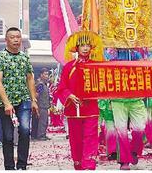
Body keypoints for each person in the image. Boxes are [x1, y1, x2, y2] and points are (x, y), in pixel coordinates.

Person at [54, 30, 102, 170]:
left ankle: (89, 164)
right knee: (75, 139)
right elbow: (61, 87)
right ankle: (79, 164)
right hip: (73, 109)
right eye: (82, 45)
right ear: (77, 47)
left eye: (88, 45)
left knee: (91, 136)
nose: (85, 48)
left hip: (91, 109)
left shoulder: (96, 66)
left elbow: (101, 85)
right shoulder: (69, 67)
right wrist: (69, 95)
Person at [0, 27, 38, 170]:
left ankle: (22, 165)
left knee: (25, 131)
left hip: (23, 100)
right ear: (6, 40)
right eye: (12, 37)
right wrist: (6, 103)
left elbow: (30, 78)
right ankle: (9, 167)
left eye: (18, 37)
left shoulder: (25, 57)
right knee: (8, 136)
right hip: (5, 103)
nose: (16, 40)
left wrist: (33, 100)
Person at [33, 68, 51, 140]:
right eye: (45, 74)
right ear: (41, 75)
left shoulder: (44, 84)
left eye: (47, 74)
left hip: (44, 105)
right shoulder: (40, 84)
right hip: (41, 106)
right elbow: (36, 95)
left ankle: (42, 134)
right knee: (42, 122)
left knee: (44, 121)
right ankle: (41, 135)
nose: (47, 76)